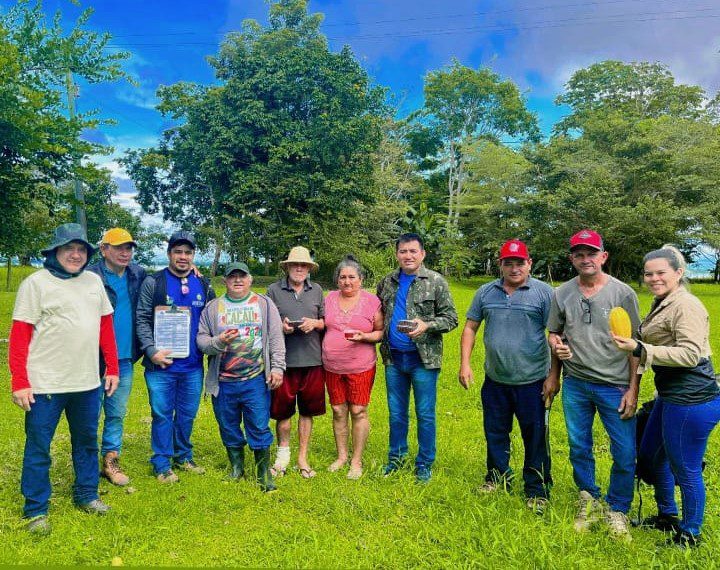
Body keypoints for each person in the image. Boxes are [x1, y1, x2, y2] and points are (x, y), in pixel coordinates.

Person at [8, 223, 119, 535]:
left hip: (86, 383)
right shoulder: (36, 284)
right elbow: (19, 336)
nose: (75, 254)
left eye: (81, 249)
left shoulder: (94, 282)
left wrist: (112, 368)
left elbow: (105, 328)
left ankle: (87, 495)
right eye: (69, 248)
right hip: (45, 385)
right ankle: (36, 510)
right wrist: (20, 381)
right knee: (39, 447)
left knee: (86, 443)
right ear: (55, 252)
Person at [612, 246, 720, 547]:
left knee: (685, 468)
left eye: (661, 272)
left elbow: (690, 354)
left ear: (678, 273)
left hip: (692, 399)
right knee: (650, 457)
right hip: (670, 395)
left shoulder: (686, 305)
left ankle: (690, 533)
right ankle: (667, 516)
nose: (654, 278)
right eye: (649, 273)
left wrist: (639, 348)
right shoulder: (663, 302)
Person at [547, 229, 641, 541]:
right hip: (576, 383)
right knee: (579, 446)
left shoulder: (623, 293)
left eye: (591, 253)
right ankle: (588, 498)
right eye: (579, 254)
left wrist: (633, 388)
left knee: (625, 451)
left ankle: (617, 509)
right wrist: (556, 351)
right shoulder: (562, 293)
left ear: (603, 256)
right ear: (572, 258)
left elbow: (635, 345)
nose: (585, 259)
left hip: (614, 386)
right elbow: (554, 332)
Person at [458, 240, 555, 514]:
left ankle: (537, 489)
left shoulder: (544, 294)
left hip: (533, 380)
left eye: (519, 262)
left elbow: (557, 335)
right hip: (496, 379)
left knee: (535, 435)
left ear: (529, 263)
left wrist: (553, 376)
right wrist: (465, 364)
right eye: (508, 263)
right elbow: (470, 328)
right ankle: (497, 478)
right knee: (495, 431)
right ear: (500, 264)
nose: (514, 268)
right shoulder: (485, 292)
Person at [376, 233, 458, 483]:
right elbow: (378, 313)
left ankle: (424, 463)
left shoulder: (435, 281)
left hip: (423, 359)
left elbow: (451, 318)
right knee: (396, 413)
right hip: (394, 358)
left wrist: (427, 325)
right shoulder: (387, 282)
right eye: (403, 251)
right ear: (397, 254)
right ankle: (396, 458)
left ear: (422, 254)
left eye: (413, 251)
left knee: (424, 413)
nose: (408, 256)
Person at [197, 263, 285, 492]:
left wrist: (277, 368)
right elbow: (202, 341)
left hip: (255, 379)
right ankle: (237, 468)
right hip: (223, 381)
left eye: (242, 276)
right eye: (232, 277)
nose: (237, 280)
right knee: (228, 425)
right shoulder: (212, 308)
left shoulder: (264, 305)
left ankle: (263, 472)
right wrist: (219, 342)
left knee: (258, 424)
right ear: (224, 281)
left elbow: (276, 338)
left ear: (250, 279)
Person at [136, 230, 215, 483]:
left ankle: (183, 456)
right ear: (169, 254)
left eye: (188, 252)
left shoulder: (203, 284)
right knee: (162, 414)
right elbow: (142, 319)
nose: (183, 257)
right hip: (161, 365)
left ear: (193, 255)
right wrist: (151, 350)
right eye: (178, 252)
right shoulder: (154, 282)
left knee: (187, 413)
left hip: (192, 366)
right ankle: (161, 463)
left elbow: (213, 318)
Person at [87, 228, 147, 486]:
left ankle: (110, 460)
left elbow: (164, 282)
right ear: (103, 249)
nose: (126, 252)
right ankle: (86, 466)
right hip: (90, 358)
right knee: (89, 414)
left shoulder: (137, 274)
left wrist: (194, 273)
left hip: (123, 358)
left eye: (129, 248)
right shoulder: (89, 276)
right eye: (119, 247)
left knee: (116, 413)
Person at [266, 246, 325, 479]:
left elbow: (325, 321)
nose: (299, 268)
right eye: (295, 264)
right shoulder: (273, 290)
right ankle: (283, 455)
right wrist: (281, 327)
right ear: (287, 267)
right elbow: (266, 323)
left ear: (309, 268)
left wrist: (315, 323)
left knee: (307, 411)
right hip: (284, 361)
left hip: (312, 360)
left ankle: (302, 456)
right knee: (282, 412)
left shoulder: (317, 290)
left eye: (304, 265)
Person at [322, 255, 383, 480]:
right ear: (337, 280)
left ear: (361, 279)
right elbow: (321, 324)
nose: (347, 281)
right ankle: (341, 456)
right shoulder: (328, 299)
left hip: (361, 366)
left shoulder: (371, 301)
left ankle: (356, 460)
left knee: (358, 411)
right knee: (338, 411)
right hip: (332, 365)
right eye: (343, 277)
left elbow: (380, 332)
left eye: (352, 277)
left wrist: (365, 336)